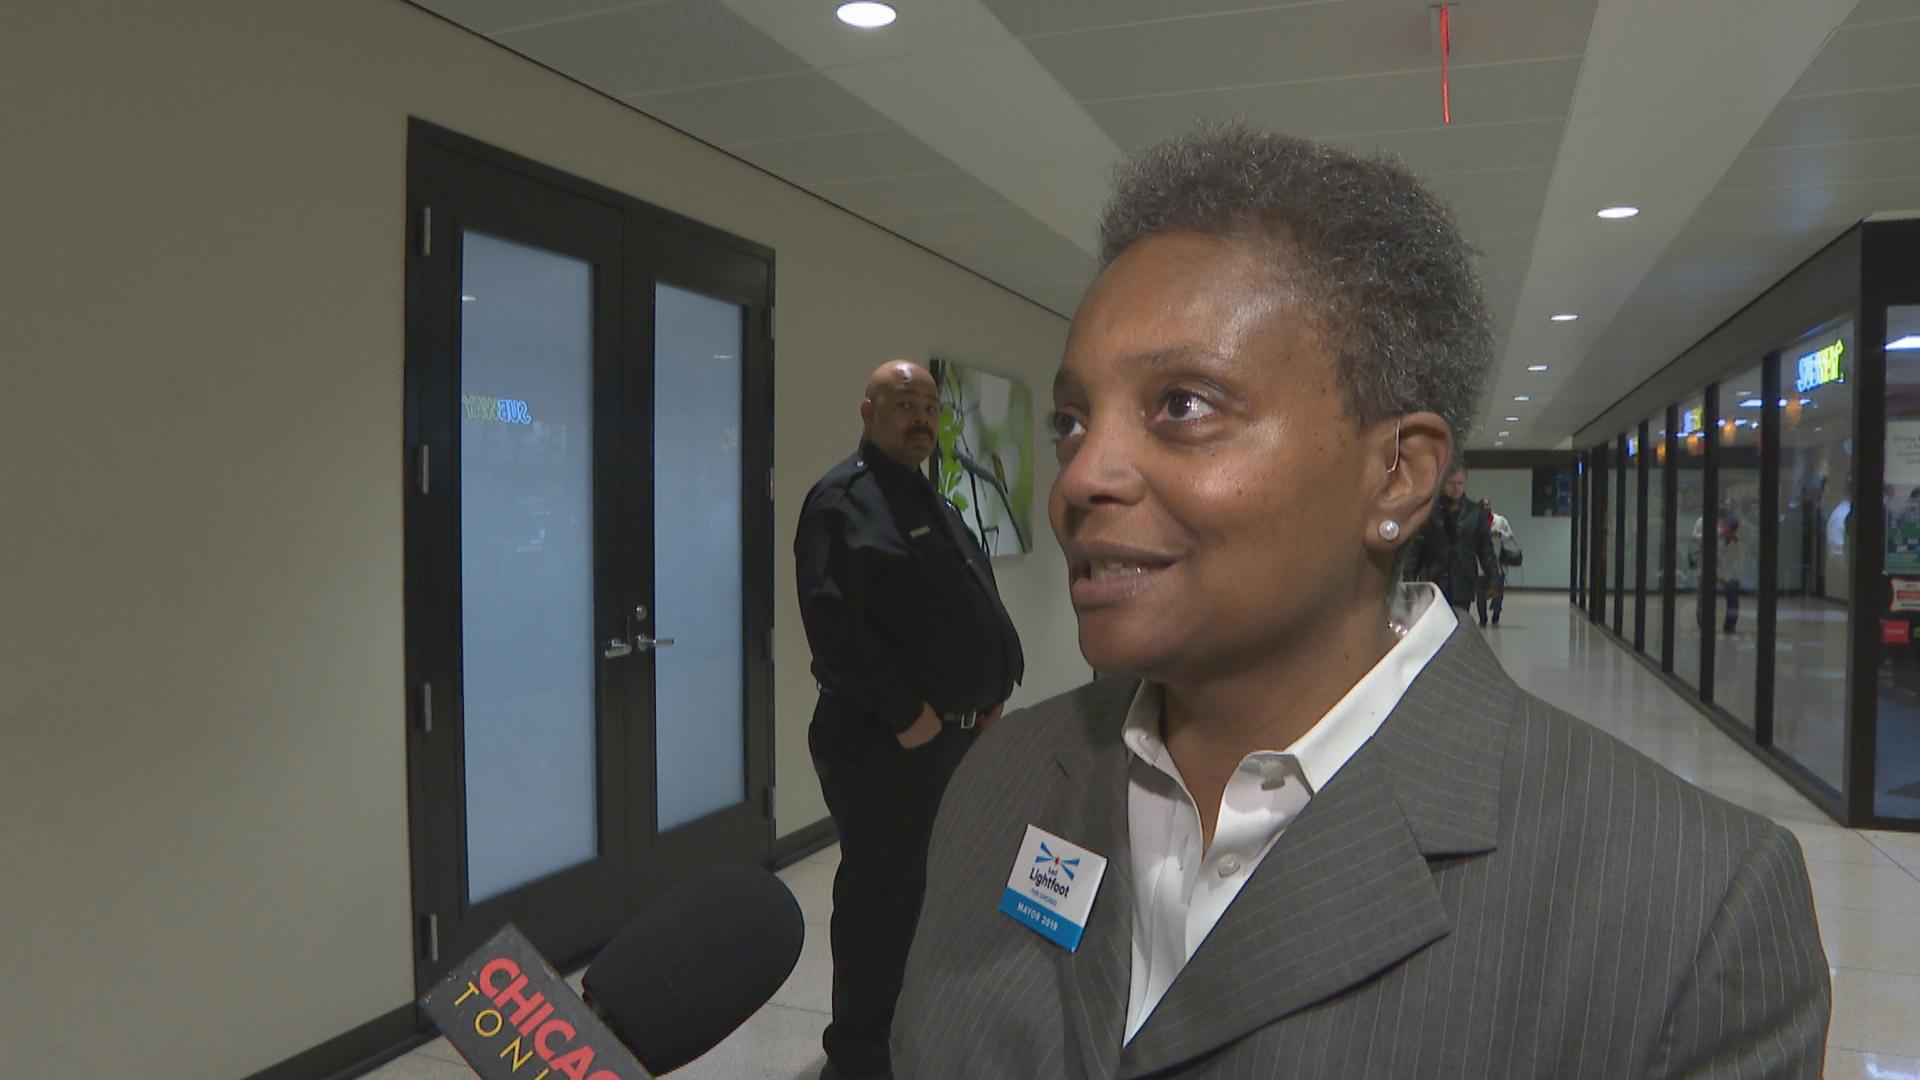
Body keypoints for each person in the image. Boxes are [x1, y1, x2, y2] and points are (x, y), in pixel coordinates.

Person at [893, 124, 1827, 1078]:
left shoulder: (1687, 907)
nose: (1081, 475)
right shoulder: (1003, 778)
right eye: (1071, 421)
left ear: (1397, 477)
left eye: (1184, 405)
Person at [794, 360, 1025, 1080]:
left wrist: (992, 690)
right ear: (868, 411)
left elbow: (966, 604)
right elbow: (832, 627)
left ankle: (914, 1032)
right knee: (882, 900)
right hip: (885, 743)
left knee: (934, 890)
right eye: (903, 403)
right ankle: (860, 1059)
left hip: (949, 739)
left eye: (929, 405)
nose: (920, 417)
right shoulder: (843, 501)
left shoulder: (937, 501)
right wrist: (907, 716)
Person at [1408, 464, 1499, 621]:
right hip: (1433, 580)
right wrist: (1409, 582)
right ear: (1443, 483)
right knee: (1434, 625)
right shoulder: (1430, 512)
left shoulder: (1475, 513)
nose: (1456, 488)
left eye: (1460, 483)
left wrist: (1493, 579)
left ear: (1465, 483)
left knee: (1458, 625)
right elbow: (1416, 549)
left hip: (1463, 580)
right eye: (1452, 483)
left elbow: (1486, 551)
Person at [1481, 497, 1520, 626]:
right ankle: (1483, 618)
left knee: (1498, 593)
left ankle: (1496, 614)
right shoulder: (1475, 521)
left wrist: (1499, 534)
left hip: (1497, 563)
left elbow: (1510, 536)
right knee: (1480, 593)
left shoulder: (1501, 521)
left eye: (1487, 505)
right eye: (1482, 506)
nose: (1485, 508)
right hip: (1480, 564)